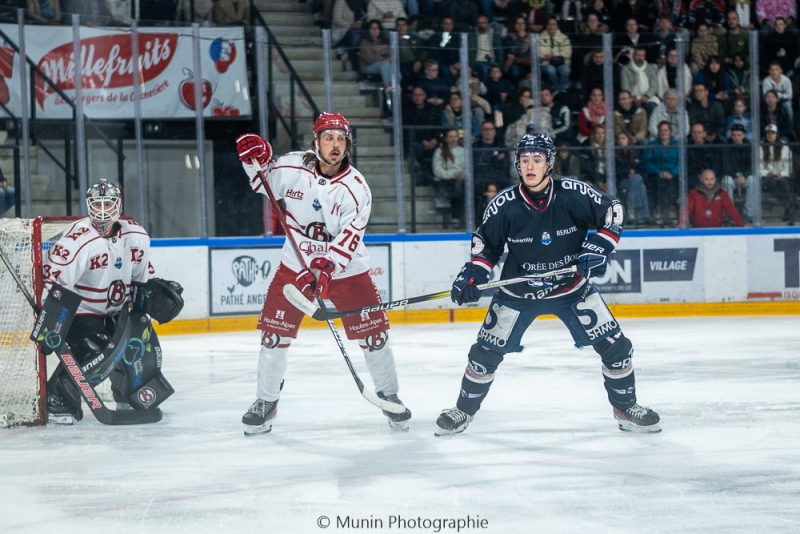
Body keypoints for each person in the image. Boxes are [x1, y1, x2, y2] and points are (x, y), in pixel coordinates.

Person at [435, 133, 661, 436]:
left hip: (572, 289)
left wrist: (599, 246)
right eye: (525, 160)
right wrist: (474, 275)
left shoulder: (573, 193)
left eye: (537, 160)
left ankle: (625, 408)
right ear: (517, 164)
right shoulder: (504, 205)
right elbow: (486, 246)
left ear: (549, 164)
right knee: (484, 354)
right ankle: (463, 412)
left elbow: (613, 212)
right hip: (518, 294)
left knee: (617, 348)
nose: (530, 166)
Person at [234, 114, 412, 435]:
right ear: (316, 142)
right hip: (295, 265)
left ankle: (389, 395)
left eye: (341, 139)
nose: (335, 145)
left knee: (374, 338)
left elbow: (346, 242)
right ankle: (266, 402)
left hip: (347, 271)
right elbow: (263, 183)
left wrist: (322, 272)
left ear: (347, 145)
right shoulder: (292, 166)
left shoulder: (357, 189)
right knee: (274, 337)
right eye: (328, 138)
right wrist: (254, 161)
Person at [41, 180, 176, 424]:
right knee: (96, 349)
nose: (102, 211)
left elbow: (142, 280)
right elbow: (54, 284)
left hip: (119, 311)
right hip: (82, 313)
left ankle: (128, 394)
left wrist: (153, 296)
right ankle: (58, 399)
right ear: (88, 206)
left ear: (118, 205)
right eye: (97, 204)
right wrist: (50, 323)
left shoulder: (136, 235)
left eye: (108, 204)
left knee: (139, 343)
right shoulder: (77, 240)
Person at [643, 121, 680, 221]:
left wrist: (672, 172)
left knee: (672, 183)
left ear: (670, 132)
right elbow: (647, 163)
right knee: (657, 183)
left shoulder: (677, 145)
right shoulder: (652, 145)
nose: (664, 132)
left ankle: (671, 210)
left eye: (666, 130)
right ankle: (658, 210)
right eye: (661, 130)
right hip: (657, 174)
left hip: (673, 174)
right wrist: (659, 172)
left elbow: (681, 163)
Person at [681, 169, 745, 227]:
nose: (710, 182)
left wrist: (742, 224)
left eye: (712, 179)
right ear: (701, 179)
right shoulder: (694, 193)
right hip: (698, 232)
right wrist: (681, 223)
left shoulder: (722, 193)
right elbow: (687, 210)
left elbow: (731, 211)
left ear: (715, 179)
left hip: (717, 232)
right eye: (706, 179)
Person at [760, 123, 795, 222]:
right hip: (767, 176)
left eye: (773, 133)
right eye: (768, 133)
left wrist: (781, 174)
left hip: (781, 175)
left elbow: (788, 165)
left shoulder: (784, 147)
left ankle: (788, 207)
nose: (770, 135)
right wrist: (767, 173)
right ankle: (789, 204)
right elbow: (759, 167)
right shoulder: (761, 147)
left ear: (777, 135)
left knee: (784, 183)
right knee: (770, 182)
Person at [616, 131, 652, 224]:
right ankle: (642, 215)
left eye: (623, 138)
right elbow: (615, 172)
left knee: (640, 183)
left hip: (635, 180)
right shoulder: (615, 154)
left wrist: (634, 172)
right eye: (619, 139)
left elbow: (642, 168)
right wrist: (627, 173)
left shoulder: (636, 152)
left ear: (628, 140)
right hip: (623, 181)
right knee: (639, 182)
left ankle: (632, 210)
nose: (621, 141)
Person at [432, 128, 467, 223]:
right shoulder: (439, 152)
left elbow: (469, 167)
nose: (454, 139)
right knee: (456, 187)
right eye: (451, 137)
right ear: (446, 139)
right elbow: (437, 171)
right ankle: (456, 216)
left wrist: (464, 175)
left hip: (462, 179)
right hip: (445, 181)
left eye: (455, 136)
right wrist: (453, 175)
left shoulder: (464, 151)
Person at [720, 123, 754, 218]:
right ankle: (731, 214)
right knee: (726, 181)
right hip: (731, 176)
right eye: (734, 135)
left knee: (753, 181)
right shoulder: (726, 146)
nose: (736, 137)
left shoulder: (749, 146)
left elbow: (752, 165)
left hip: (745, 176)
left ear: (744, 135)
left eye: (739, 135)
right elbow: (724, 164)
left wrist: (744, 176)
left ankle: (749, 213)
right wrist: (734, 177)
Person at [620, 48, 661, 114]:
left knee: (651, 107)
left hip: (648, 97)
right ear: (633, 55)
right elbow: (625, 86)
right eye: (638, 55)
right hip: (631, 98)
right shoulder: (626, 69)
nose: (640, 58)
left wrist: (647, 96)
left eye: (642, 56)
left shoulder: (650, 68)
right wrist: (632, 98)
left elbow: (654, 85)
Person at [473, 120, 510, 193]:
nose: (488, 132)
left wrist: (492, 160)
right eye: (485, 130)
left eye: (490, 129)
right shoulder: (475, 147)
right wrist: (495, 159)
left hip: (498, 176)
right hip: (481, 176)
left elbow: (504, 165)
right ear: (481, 132)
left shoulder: (501, 147)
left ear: (494, 131)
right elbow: (476, 165)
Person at [360, 20, 396, 93]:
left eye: (377, 28)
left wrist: (387, 58)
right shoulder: (364, 42)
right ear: (368, 30)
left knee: (392, 65)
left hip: (384, 66)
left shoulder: (383, 41)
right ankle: (387, 86)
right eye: (372, 28)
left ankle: (396, 85)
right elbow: (369, 58)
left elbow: (388, 54)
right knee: (385, 63)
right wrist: (384, 58)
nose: (375, 30)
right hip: (368, 66)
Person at [539, 17, 573, 93]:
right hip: (546, 63)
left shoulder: (564, 38)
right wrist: (554, 56)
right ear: (546, 26)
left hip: (561, 62)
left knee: (566, 70)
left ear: (557, 26)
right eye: (549, 25)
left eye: (554, 24)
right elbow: (540, 53)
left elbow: (568, 52)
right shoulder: (540, 37)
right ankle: (560, 89)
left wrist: (553, 55)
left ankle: (557, 89)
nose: (551, 27)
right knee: (551, 70)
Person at [687, 122, 723, 188]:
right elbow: (688, 166)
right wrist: (700, 175)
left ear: (704, 134)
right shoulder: (687, 148)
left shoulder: (712, 147)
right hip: (695, 177)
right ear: (691, 134)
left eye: (699, 132)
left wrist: (708, 175)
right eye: (694, 132)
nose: (696, 135)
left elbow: (716, 164)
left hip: (710, 176)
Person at [761, 61, 793, 126]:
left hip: (783, 100)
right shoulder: (766, 81)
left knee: (788, 105)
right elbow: (765, 94)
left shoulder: (786, 80)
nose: (774, 72)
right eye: (772, 70)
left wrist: (777, 96)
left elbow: (789, 95)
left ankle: (790, 127)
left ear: (781, 71)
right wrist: (774, 98)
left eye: (776, 69)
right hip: (771, 100)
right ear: (769, 71)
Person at [502, 15, 532, 85]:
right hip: (515, 63)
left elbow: (531, 53)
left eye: (523, 23)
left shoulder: (531, 37)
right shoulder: (509, 38)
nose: (520, 25)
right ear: (514, 25)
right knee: (515, 71)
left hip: (528, 63)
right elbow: (511, 53)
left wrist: (518, 55)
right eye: (518, 23)